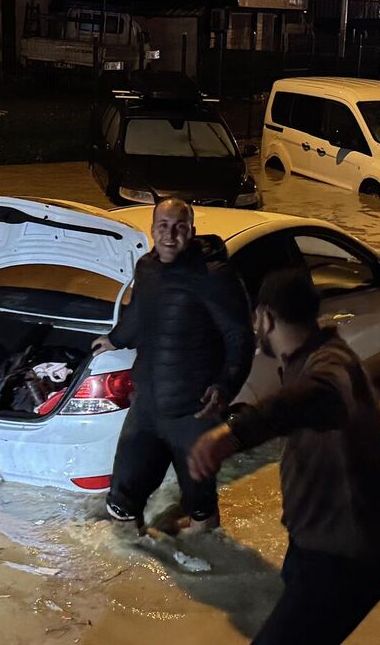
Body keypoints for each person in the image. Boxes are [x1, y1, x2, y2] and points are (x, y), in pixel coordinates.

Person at [189, 269, 380, 645]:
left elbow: (323, 396)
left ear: (265, 318)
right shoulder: (305, 361)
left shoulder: (331, 365)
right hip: (315, 547)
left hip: (346, 558)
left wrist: (233, 433)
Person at [96, 198, 253, 533]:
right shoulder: (147, 268)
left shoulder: (214, 276)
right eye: (163, 227)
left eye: (179, 227)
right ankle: (132, 571)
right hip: (148, 404)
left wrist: (226, 385)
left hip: (193, 412)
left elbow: (240, 337)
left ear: (192, 232)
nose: (170, 235)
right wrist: (115, 339)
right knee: (122, 498)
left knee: (200, 506)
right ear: (152, 231)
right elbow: (139, 313)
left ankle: (205, 568)